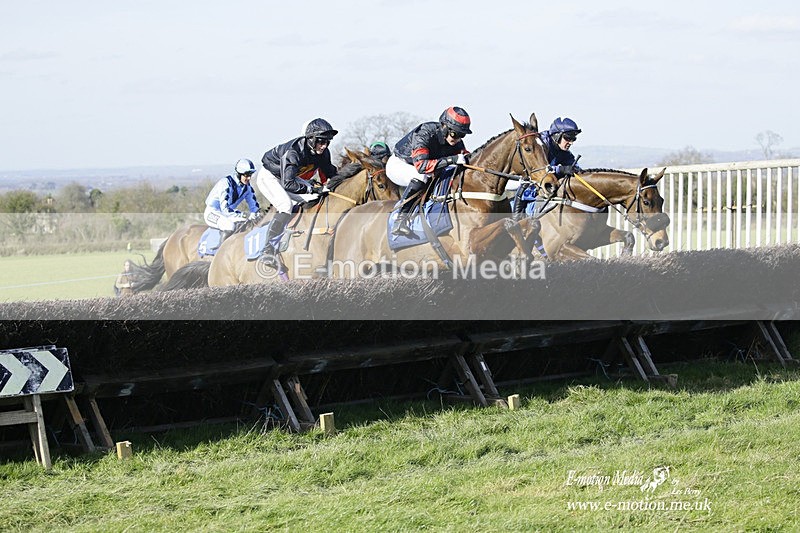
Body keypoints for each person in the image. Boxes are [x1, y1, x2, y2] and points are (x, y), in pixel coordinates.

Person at [255, 118, 339, 266]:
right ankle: (267, 251)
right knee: (285, 205)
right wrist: (311, 188)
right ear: (311, 139)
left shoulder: (323, 153)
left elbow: (330, 172)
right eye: (321, 141)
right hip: (269, 176)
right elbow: (288, 183)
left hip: (289, 177)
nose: (324, 146)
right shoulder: (294, 152)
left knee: (314, 197)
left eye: (327, 142)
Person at [387, 106, 472, 237]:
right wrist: (452, 159)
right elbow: (422, 166)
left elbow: (466, 158)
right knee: (422, 177)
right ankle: (400, 219)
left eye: (462, 135)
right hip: (399, 164)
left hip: (424, 168)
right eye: (454, 134)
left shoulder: (456, 142)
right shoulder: (424, 133)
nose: (457, 139)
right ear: (444, 126)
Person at [512, 117, 583, 221]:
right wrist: (560, 170)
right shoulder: (541, 143)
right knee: (527, 184)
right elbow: (540, 169)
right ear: (557, 135)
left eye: (573, 139)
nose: (571, 142)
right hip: (527, 179)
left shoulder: (565, 153)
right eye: (568, 138)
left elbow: (576, 170)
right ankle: (516, 221)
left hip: (545, 182)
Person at [204, 158, 261, 243]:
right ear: (239, 174)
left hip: (227, 214)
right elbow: (225, 209)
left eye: (250, 174)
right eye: (246, 175)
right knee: (229, 225)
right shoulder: (225, 183)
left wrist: (257, 216)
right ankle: (220, 253)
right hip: (212, 212)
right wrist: (244, 216)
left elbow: (254, 207)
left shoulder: (247, 188)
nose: (249, 178)